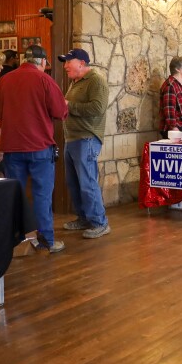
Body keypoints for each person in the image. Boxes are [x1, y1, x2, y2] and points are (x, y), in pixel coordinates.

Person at [0, 45, 68, 253]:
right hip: (39, 147)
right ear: (43, 62)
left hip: (12, 146)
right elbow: (60, 111)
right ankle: (47, 240)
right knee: (42, 195)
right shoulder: (45, 80)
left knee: (16, 195)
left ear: (22, 59)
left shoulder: (5, 80)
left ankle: (19, 241)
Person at [59, 48, 111, 239]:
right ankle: (84, 218)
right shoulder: (75, 82)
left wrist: (67, 106)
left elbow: (98, 108)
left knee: (87, 183)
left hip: (86, 138)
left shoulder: (96, 80)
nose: (65, 66)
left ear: (81, 62)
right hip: (72, 138)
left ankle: (100, 222)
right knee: (74, 183)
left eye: (68, 62)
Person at [159, 56, 182, 138]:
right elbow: (169, 110)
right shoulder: (170, 85)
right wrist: (174, 128)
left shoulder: (180, 86)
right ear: (178, 69)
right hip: (174, 130)